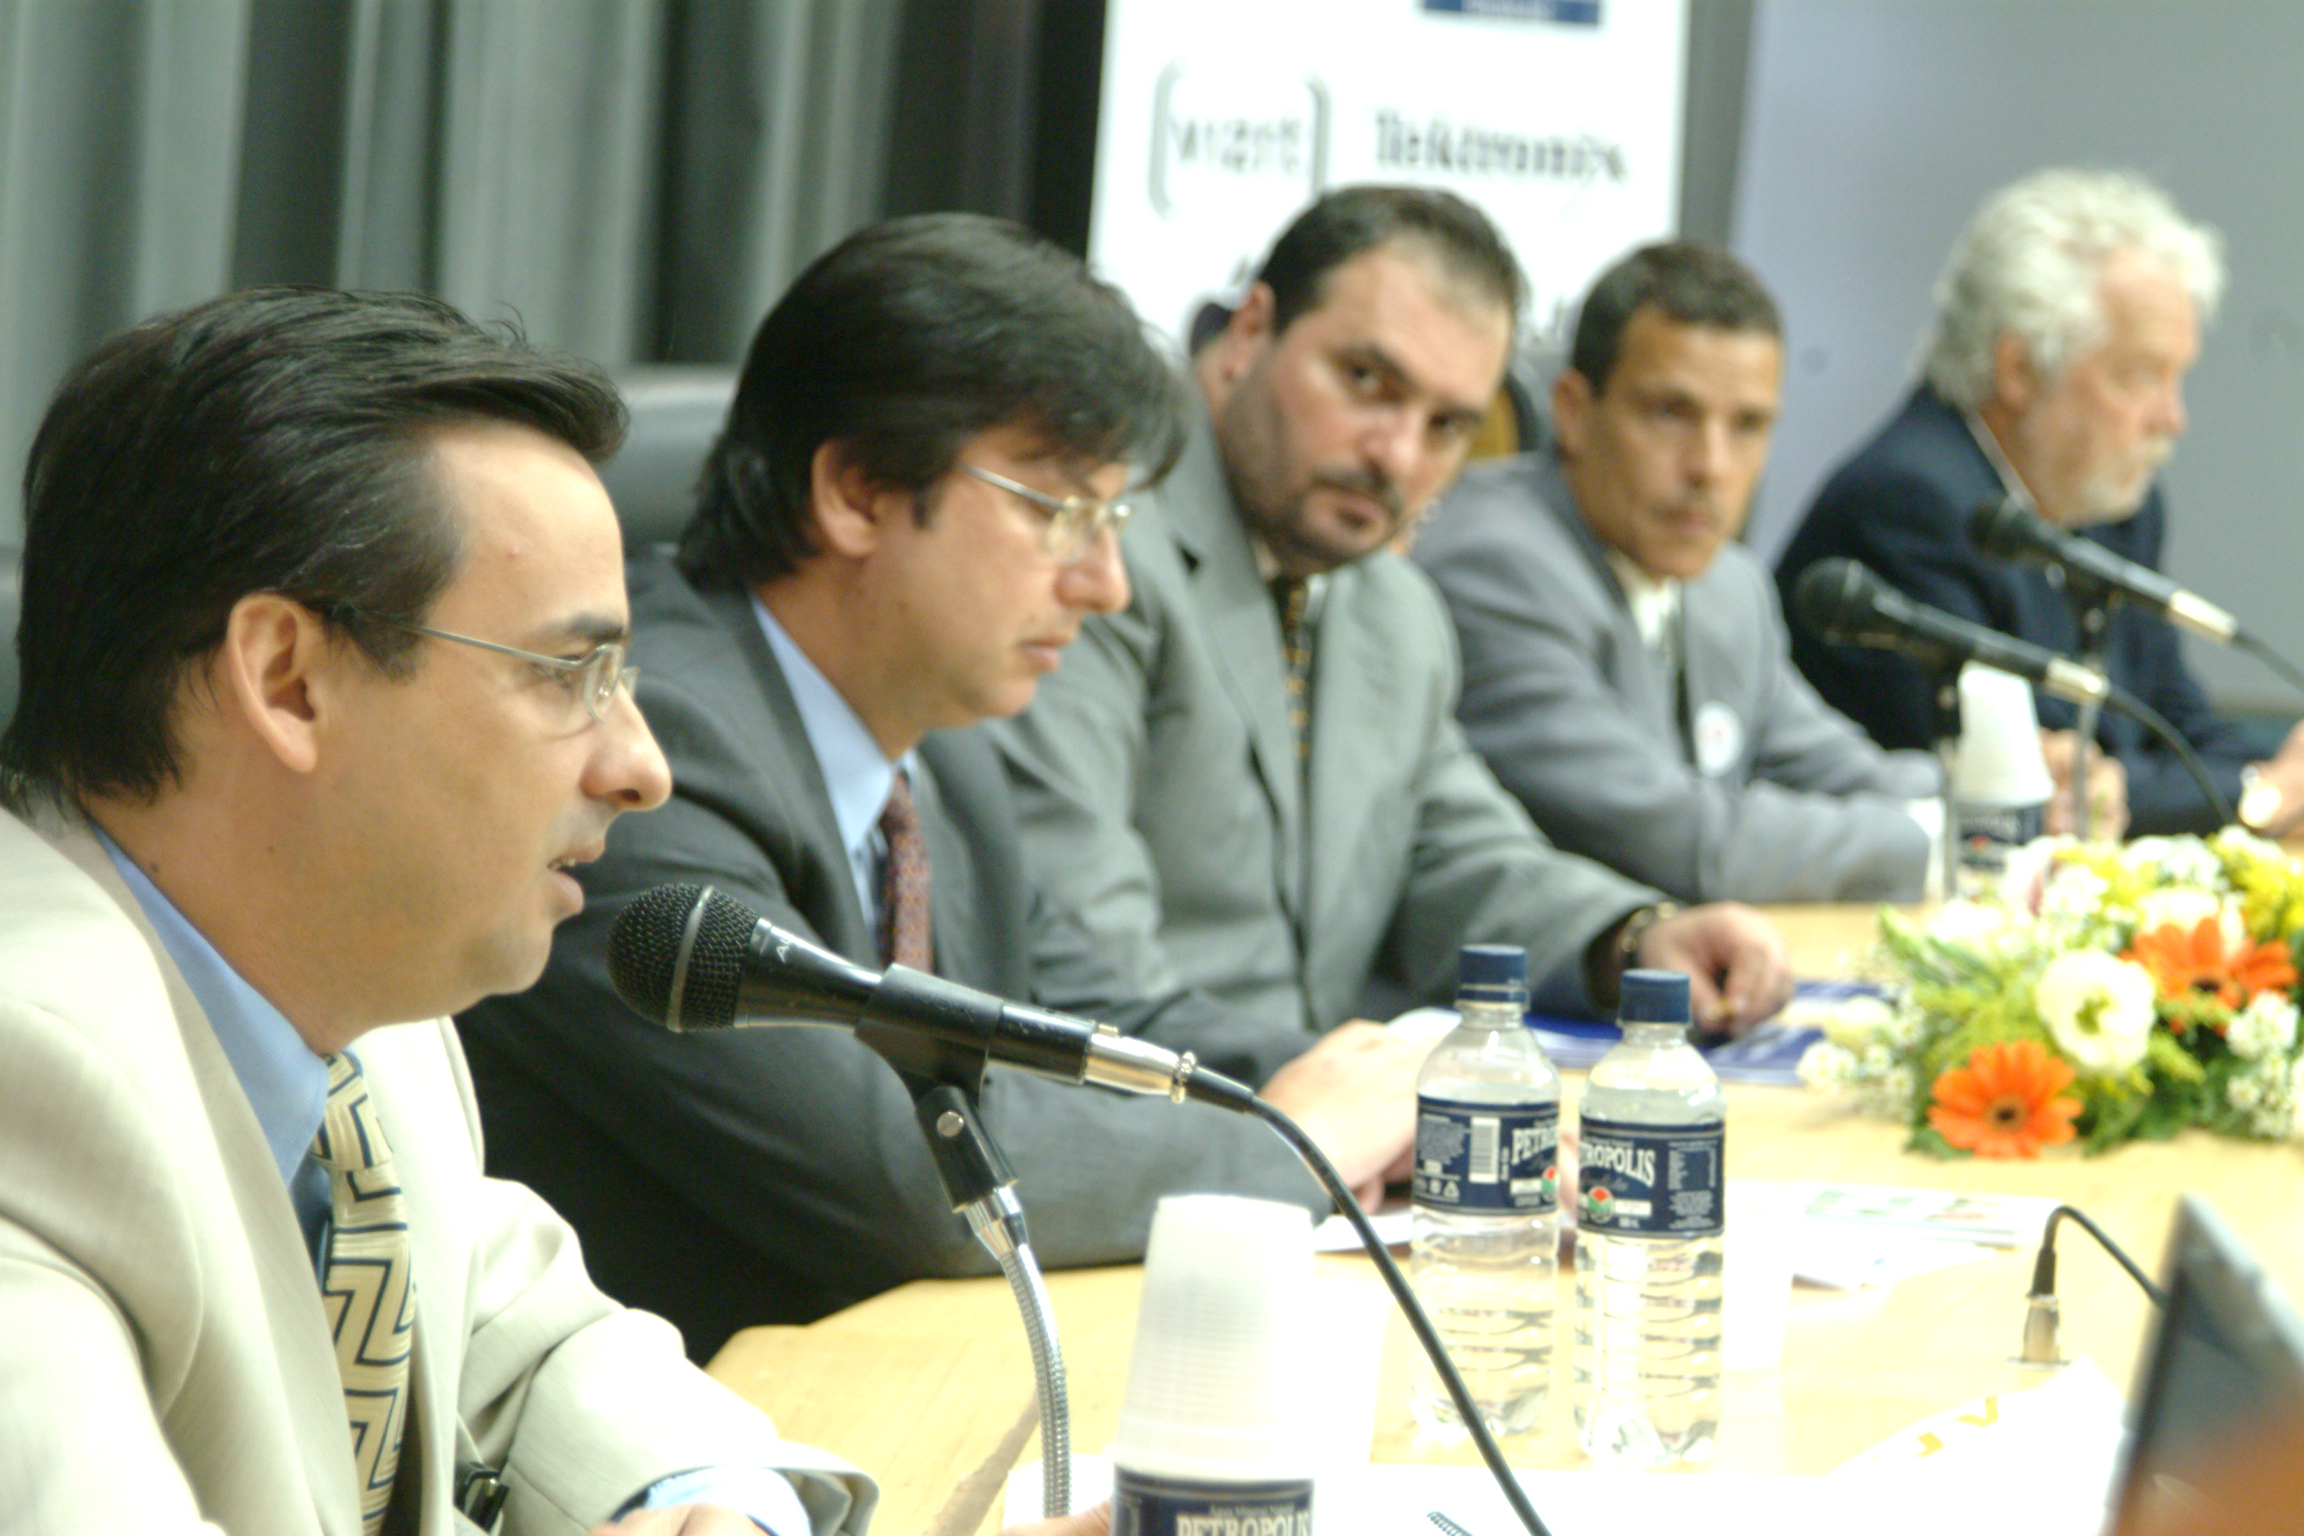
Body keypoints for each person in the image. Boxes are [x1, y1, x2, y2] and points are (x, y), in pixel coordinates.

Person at [457, 215, 1426, 1357]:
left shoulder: (937, 748)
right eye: (1060, 511)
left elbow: (1102, 1021)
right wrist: (1298, 1143)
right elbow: (898, 1181)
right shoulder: (647, 760)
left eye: (1116, 521)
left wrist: (1408, 1093)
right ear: (860, 492)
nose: (1107, 582)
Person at [0, 289, 872, 1532]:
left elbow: (533, 1339)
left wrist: (705, 1500)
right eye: (573, 673)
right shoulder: (29, 1084)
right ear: (289, 681)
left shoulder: (360, 995)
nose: (643, 767)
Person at [989, 186, 1794, 1079]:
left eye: (1448, 424)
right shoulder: (1095, 559)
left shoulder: (1390, 605)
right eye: (1367, 383)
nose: (1398, 456)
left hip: (1322, 1144)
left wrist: (1635, 939)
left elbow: (1451, 852)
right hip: (1149, 1132)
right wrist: (1372, 1097)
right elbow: (1082, 975)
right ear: (1250, 333)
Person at [1413, 241, 1945, 903]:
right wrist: (1950, 843)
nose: (1711, 467)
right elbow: (1686, 846)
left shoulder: (1729, 585)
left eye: (1747, 425)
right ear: (1574, 412)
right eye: (1671, 414)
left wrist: (2007, 794)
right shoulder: (1494, 565)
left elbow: (1839, 768)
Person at [1776, 167, 2300, 837]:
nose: (2172, 419)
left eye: (2178, 378)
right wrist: (2260, 790)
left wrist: (2254, 781)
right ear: (2019, 369)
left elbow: (2177, 728)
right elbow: (2048, 785)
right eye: (2139, 377)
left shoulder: (2114, 505)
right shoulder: (1909, 506)